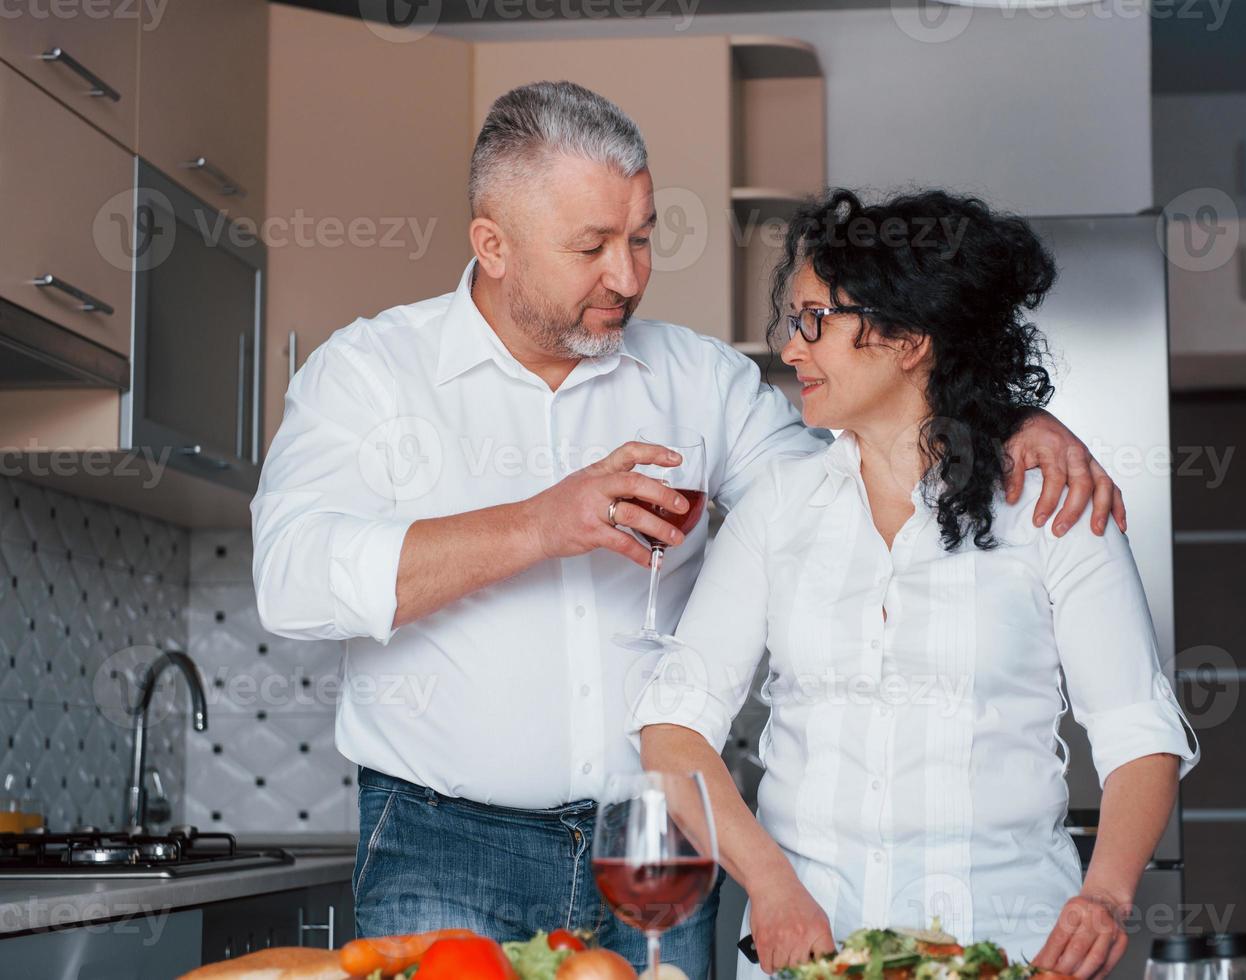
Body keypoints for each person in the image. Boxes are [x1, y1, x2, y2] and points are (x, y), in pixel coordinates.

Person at [251, 82, 1126, 979]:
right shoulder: (368, 374)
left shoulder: (701, 379)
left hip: (658, 846)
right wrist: (538, 524)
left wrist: (1001, 416)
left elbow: (851, 482)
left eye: (640, 238)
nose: (627, 276)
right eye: (591, 247)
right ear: (493, 244)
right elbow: (290, 580)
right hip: (445, 843)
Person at [631, 188, 1198, 980]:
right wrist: (771, 887)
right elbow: (672, 731)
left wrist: (1104, 895)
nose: (792, 349)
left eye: (813, 321)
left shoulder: (1051, 505)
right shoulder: (777, 510)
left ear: (906, 339)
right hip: (809, 959)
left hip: (1008, 953)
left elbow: (1138, 731)